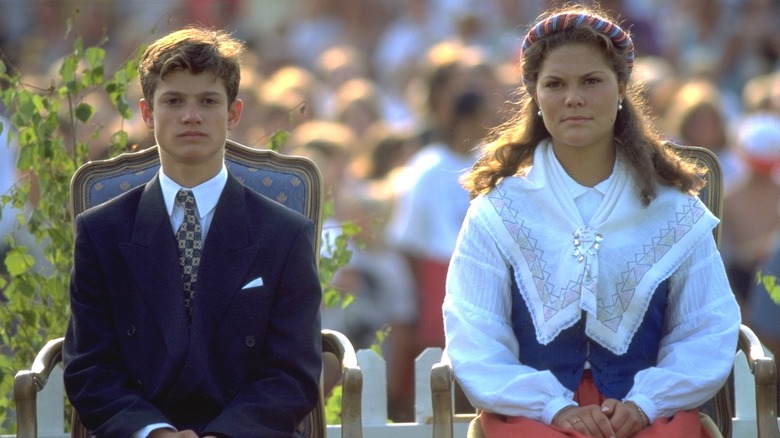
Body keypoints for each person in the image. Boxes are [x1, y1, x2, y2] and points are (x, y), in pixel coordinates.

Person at [442, 5, 741, 438]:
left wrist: (645, 403)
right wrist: (551, 407)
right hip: (533, 411)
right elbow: (474, 331)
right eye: (556, 84)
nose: (573, 98)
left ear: (621, 87)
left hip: (648, 409)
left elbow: (706, 326)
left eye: (591, 81)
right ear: (535, 95)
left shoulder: (672, 208)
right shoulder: (500, 210)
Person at [62, 26, 322, 437]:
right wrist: (155, 432)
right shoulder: (101, 233)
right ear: (147, 114)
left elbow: (293, 372)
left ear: (233, 114)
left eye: (207, 101)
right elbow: (89, 366)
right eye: (174, 101)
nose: (191, 115)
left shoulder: (283, 234)